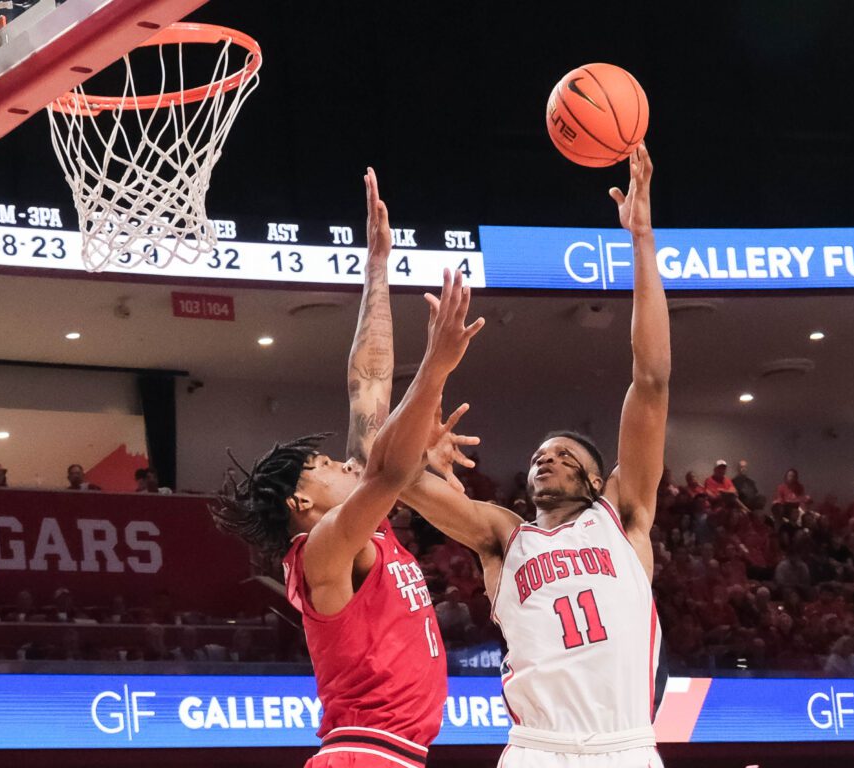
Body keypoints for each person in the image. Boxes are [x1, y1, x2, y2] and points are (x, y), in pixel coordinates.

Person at [402, 146, 667, 768]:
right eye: (538, 456)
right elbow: (397, 477)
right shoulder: (503, 536)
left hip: (624, 745)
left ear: (597, 477)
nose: (544, 461)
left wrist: (642, 241)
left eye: (564, 454)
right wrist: (422, 427)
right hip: (536, 750)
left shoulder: (624, 516)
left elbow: (652, 379)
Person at [212, 170, 484, 768]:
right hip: (365, 756)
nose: (342, 462)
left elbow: (368, 384)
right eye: (325, 466)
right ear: (300, 504)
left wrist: (377, 267)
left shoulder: (367, 530)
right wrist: (435, 367)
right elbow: (386, 473)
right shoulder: (323, 549)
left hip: (390, 755)